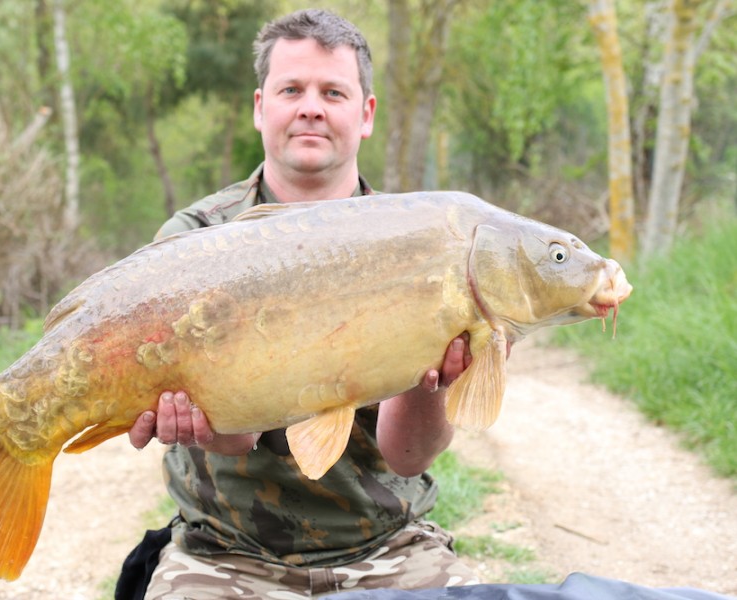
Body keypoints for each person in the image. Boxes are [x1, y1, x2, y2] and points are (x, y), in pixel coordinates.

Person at [116, 9, 487, 599]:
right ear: (261, 107)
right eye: (292, 89)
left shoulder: (423, 244)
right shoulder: (193, 240)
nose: (311, 106)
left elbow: (407, 455)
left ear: (364, 115)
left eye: (332, 92)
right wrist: (199, 419)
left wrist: (437, 378)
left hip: (389, 548)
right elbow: (236, 440)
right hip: (223, 555)